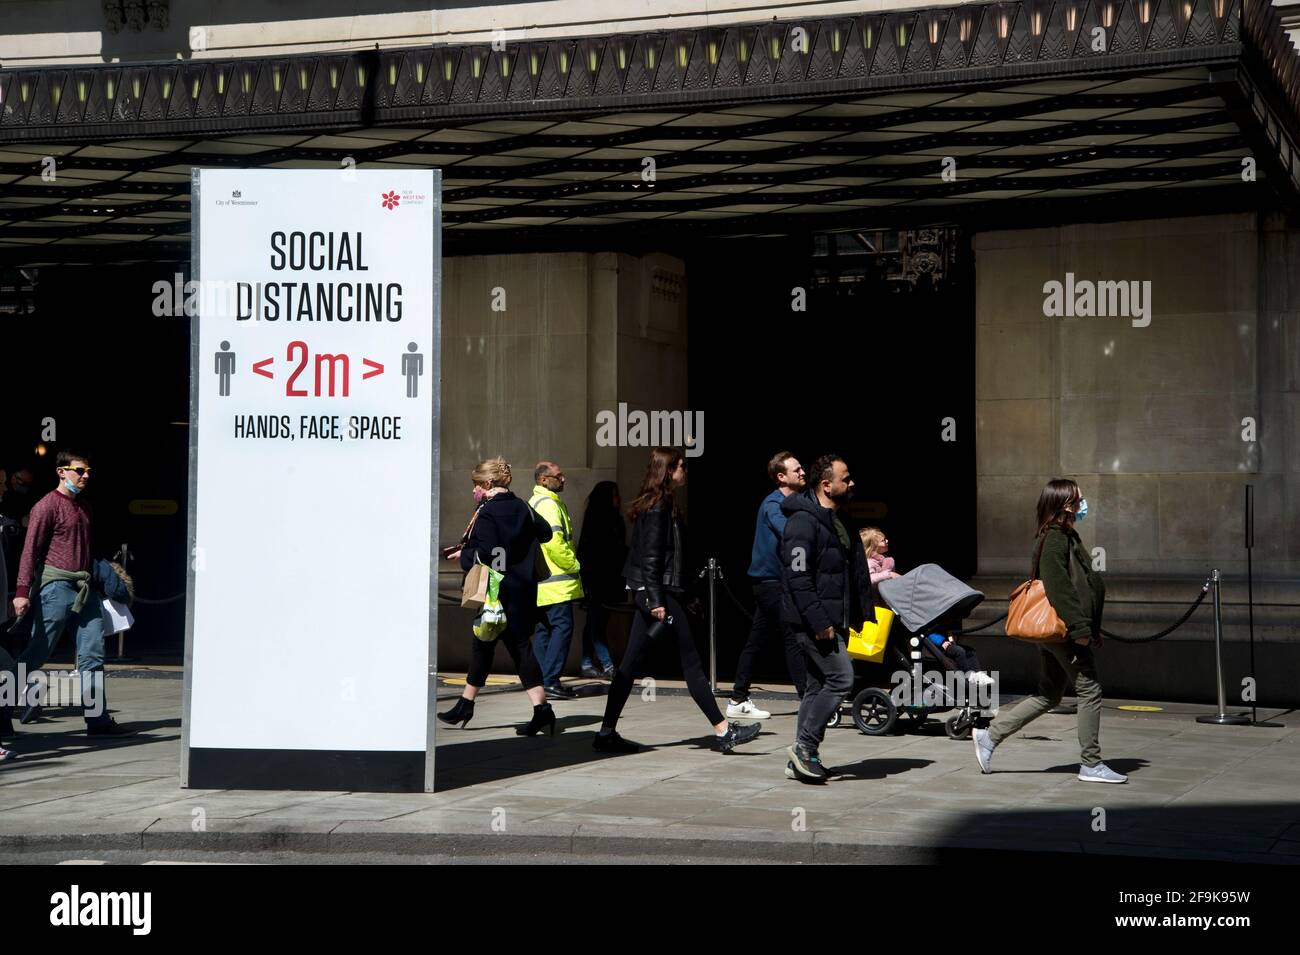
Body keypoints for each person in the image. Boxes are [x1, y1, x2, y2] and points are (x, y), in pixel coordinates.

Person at [593, 448, 761, 755]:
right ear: (668, 471)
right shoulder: (659, 507)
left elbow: (670, 558)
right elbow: (652, 558)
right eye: (681, 466)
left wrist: (684, 595)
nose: (685, 471)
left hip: (656, 592)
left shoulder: (662, 504)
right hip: (655, 593)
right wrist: (658, 600)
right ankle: (724, 732)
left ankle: (606, 733)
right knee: (692, 663)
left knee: (628, 667)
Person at [973, 478, 1126, 783]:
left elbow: (1081, 585)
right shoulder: (1055, 538)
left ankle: (989, 737)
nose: (1083, 503)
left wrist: (1090, 627)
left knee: (1049, 694)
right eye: (1078, 499)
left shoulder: (1065, 535)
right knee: (1090, 688)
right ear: (1064, 504)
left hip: (1060, 630)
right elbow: (1059, 588)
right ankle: (1091, 763)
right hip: (1062, 630)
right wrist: (1080, 628)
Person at [10, 450, 128, 735]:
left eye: (88, 471)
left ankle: (97, 721)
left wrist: (102, 576)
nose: (85, 475)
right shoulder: (46, 506)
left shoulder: (84, 507)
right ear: (61, 472)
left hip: (84, 589)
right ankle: (3, 710)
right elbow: (30, 550)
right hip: (56, 588)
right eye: (79, 470)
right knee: (38, 651)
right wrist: (22, 591)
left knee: (93, 653)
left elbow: (84, 551)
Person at [438, 457, 558, 737]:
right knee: (507, 646)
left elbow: (487, 554)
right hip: (523, 590)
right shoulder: (523, 507)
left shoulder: (488, 513)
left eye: (477, 485)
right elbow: (545, 533)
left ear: (489, 483)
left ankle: (468, 705)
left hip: (497, 592)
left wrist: (464, 555)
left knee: (490, 644)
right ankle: (537, 710)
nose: (474, 491)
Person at [781, 453, 873, 783]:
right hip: (814, 622)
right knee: (841, 679)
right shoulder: (802, 523)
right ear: (826, 484)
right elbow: (798, 578)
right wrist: (820, 622)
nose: (851, 483)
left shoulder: (838, 519)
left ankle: (803, 758)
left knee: (816, 685)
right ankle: (805, 747)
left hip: (834, 617)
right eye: (845, 478)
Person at [726, 451, 810, 720]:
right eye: (796, 470)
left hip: (777, 581)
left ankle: (738, 698)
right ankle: (808, 701)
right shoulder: (773, 504)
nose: (803, 472)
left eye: (801, 468)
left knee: (756, 639)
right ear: (781, 477)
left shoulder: (799, 501)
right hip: (770, 582)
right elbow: (788, 532)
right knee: (793, 636)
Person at [529, 461, 584, 701]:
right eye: (558, 476)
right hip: (557, 583)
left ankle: (542, 681)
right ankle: (550, 680)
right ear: (543, 480)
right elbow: (554, 542)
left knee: (543, 630)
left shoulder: (536, 502)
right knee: (561, 628)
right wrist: (575, 564)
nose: (563, 479)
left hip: (542, 583)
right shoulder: (549, 505)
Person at [576, 481, 624, 679]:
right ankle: (607, 665)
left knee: (594, 622)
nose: (618, 499)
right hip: (598, 580)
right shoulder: (600, 521)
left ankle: (587, 662)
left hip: (604, 579)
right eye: (615, 495)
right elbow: (590, 553)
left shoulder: (608, 519)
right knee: (597, 623)